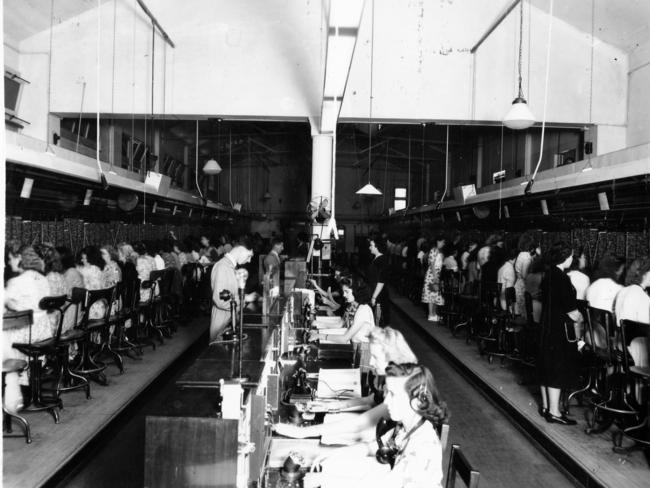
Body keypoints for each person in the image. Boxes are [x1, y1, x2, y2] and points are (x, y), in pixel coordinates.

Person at [303, 363, 448, 488]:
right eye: (387, 394)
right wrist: (332, 453)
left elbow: (385, 485)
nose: (387, 402)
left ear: (417, 402)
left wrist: (324, 479)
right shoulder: (404, 427)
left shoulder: (423, 446)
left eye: (393, 394)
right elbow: (373, 447)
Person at [275, 327, 417, 442]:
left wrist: (301, 433)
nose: (371, 363)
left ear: (390, 356)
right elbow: (369, 401)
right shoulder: (391, 377)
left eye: (375, 357)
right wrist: (327, 406)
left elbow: (360, 423)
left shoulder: (399, 387)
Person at [537, 241, 582, 425]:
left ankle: (547, 407)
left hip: (547, 327)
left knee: (547, 366)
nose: (572, 258)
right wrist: (581, 318)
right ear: (564, 257)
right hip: (559, 329)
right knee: (557, 368)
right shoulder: (562, 278)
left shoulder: (548, 274)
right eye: (571, 255)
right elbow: (571, 311)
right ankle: (555, 413)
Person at [309, 277, 376, 367]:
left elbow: (345, 338)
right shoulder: (352, 305)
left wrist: (320, 335)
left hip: (364, 354)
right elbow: (340, 324)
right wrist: (318, 330)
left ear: (356, 292)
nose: (344, 295)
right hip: (354, 347)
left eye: (347, 292)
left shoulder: (363, 310)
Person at [209, 244, 258, 341]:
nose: (249, 260)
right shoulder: (222, 267)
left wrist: (247, 296)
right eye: (249, 256)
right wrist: (245, 298)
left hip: (229, 320)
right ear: (239, 251)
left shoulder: (230, 266)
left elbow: (231, 293)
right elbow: (220, 300)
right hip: (222, 323)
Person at [614, 257, 650, 367]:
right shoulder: (643, 297)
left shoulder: (622, 291)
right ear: (644, 274)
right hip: (636, 350)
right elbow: (646, 330)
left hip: (620, 344)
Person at [421, 235, 445, 322]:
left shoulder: (438, 251)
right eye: (442, 242)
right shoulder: (434, 250)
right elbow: (431, 264)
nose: (443, 243)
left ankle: (434, 314)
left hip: (435, 275)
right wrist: (435, 276)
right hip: (432, 275)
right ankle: (431, 314)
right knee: (431, 295)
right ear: (438, 241)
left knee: (435, 295)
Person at [368, 238, 391, 327]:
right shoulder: (376, 258)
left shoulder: (382, 260)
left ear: (377, 247)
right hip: (375, 291)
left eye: (372, 246)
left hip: (379, 294)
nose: (370, 247)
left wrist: (374, 297)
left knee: (379, 319)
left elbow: (381, 280)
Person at [514, 233, 537, 316]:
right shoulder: (527, 256)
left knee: (520, 311)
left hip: (518, 283)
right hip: (523, 286)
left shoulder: (520, 254)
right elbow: (524, 275)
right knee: (525, 313)